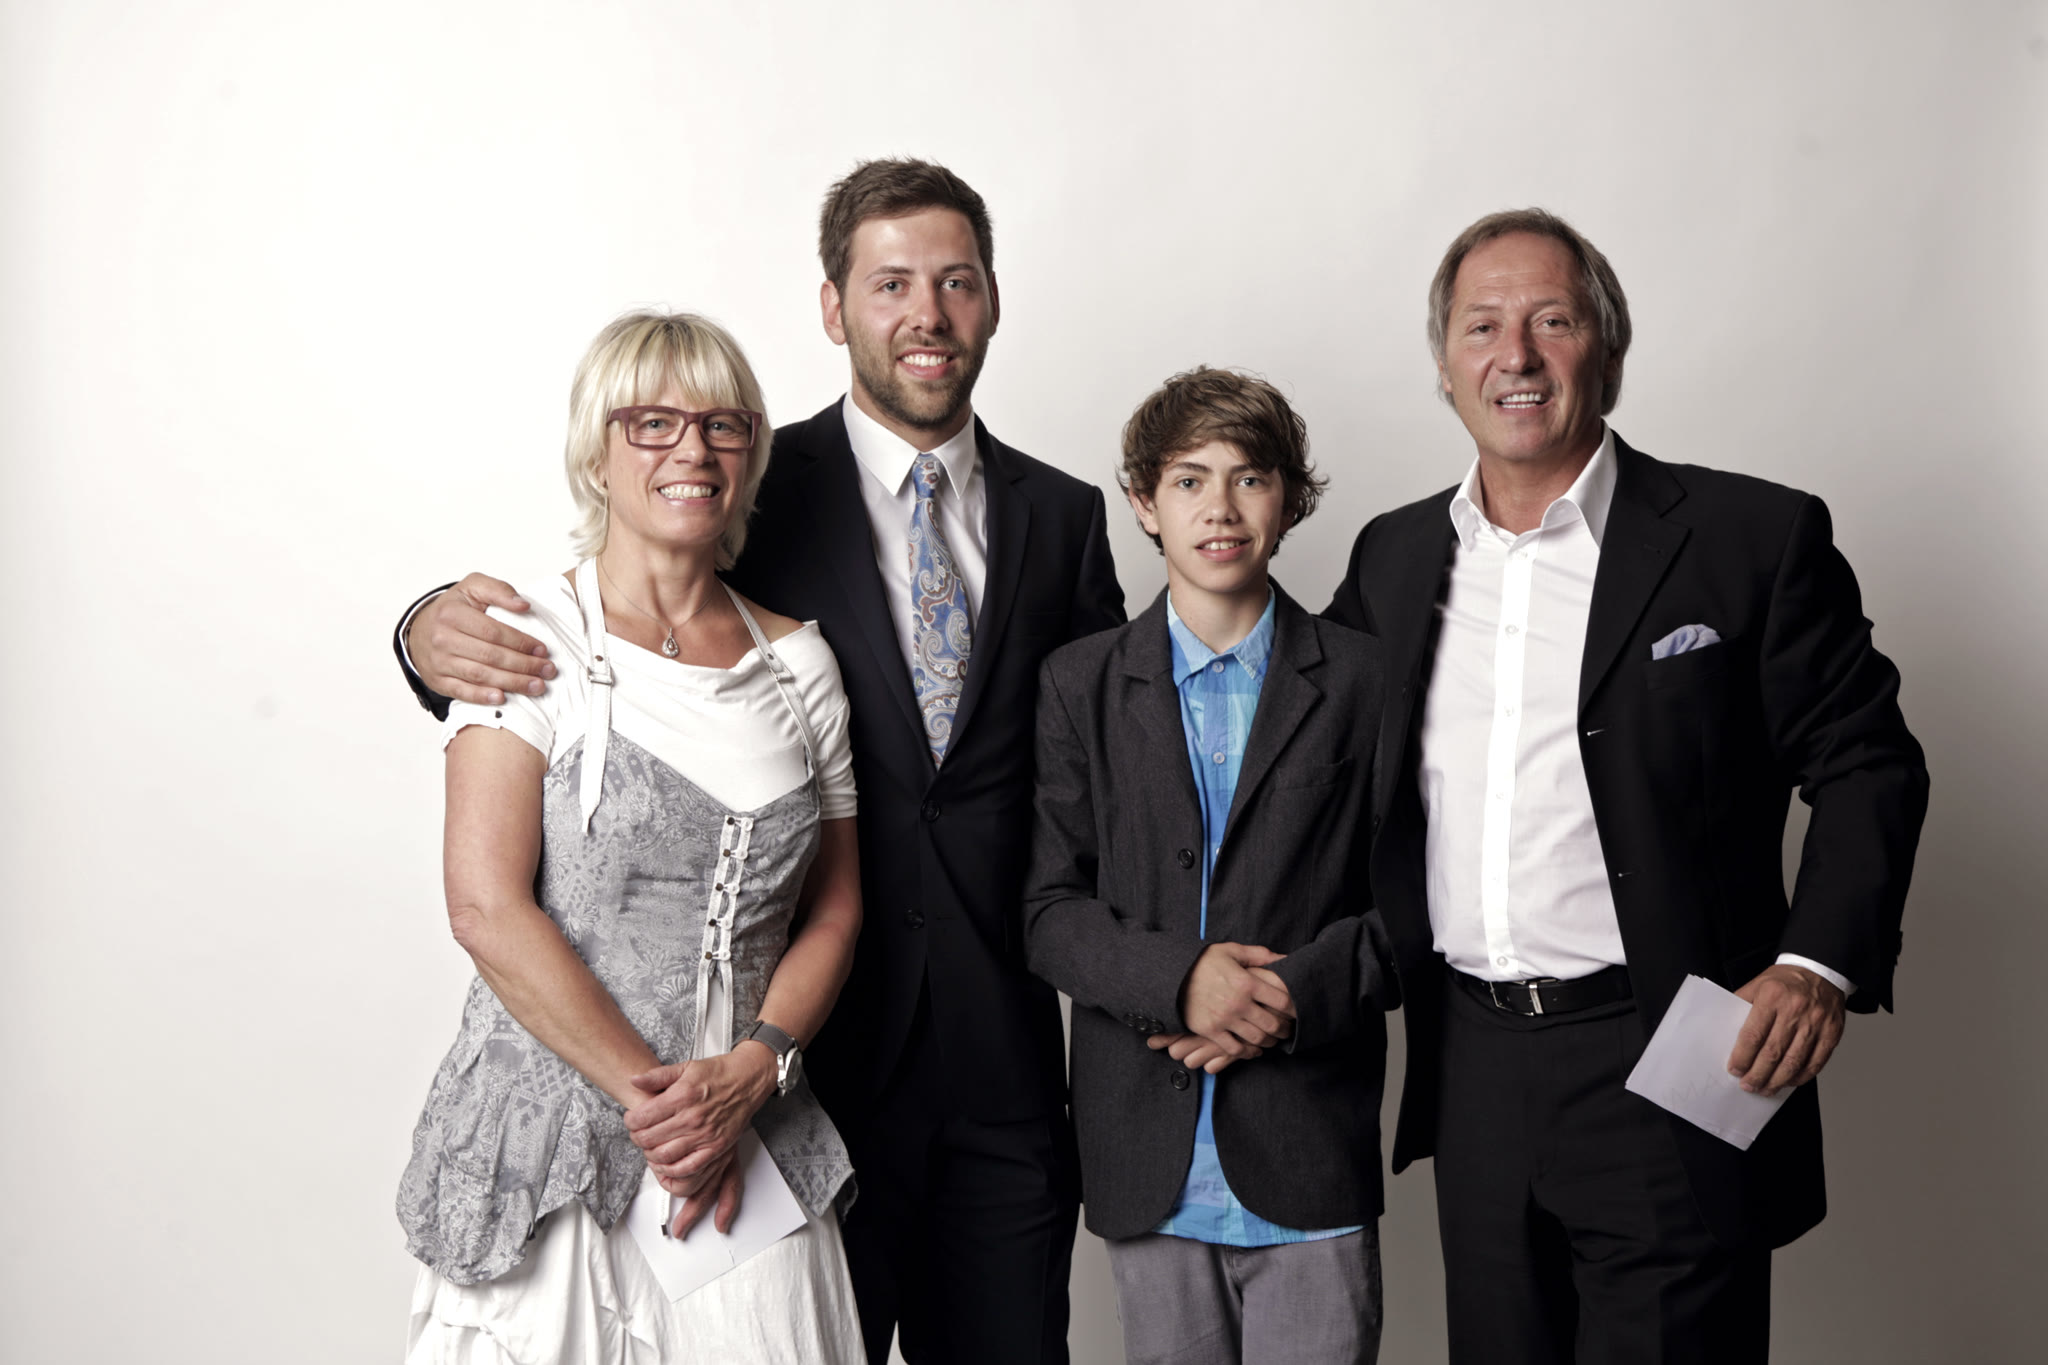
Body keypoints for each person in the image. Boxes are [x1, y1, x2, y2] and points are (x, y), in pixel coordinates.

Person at [394, 159, 1124, 1364]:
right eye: (889, 283)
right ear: (833, 307)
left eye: (955, 281)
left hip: (988, 1073)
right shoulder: (750, 480)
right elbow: (609, 600)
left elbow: (1118, 754)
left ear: (992, 299)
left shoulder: (1063, 517)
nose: (926, 314)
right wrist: (422, 632)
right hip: (802, 1083)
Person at [1325, 209, 1930, 1363]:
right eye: (1480, 326)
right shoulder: (1392, 559)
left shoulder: (1747, 537)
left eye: (1551, 320)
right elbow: (1308, 756)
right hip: (1471, 1059)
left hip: (1675, 1045)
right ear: (1443, 364)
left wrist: (1814, 965)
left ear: (1605, 348)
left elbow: (1867, 762)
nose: (1514, 354)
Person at [397, 311, 868, 1361]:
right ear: (596, 452)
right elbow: (484, 905)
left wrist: (754, 1070)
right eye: (652, 422)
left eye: (721, 425)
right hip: (551, 1141)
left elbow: (835, 908)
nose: (691, 449)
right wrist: (663, 1113)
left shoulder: (801, 666)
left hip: (747, 1134)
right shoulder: (523, 641)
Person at [1024, 368, 1395, 1365]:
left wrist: (1289, 996)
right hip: (1146, 1160)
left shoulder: (1364, 679)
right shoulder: (1078, 684)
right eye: (1188, 480)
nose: (1219, 508)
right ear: (1144, 503)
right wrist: (1180, 980)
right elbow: (1049, 908)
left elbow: (1414, 906)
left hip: (1309, 1150)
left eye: (1249, 478)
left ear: (1289, 500)